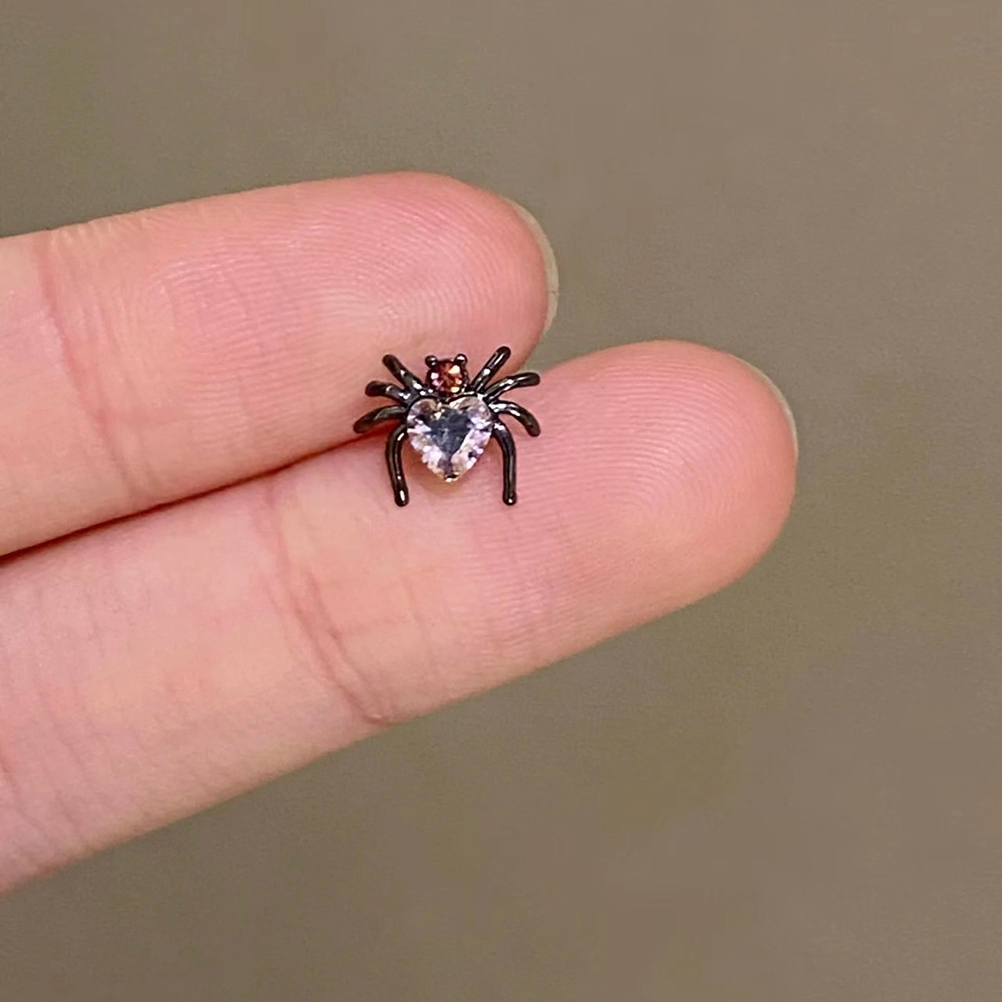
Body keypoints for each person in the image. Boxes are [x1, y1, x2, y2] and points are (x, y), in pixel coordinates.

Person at [0, 172, 797, 892]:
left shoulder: (450, 405)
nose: (447, 382)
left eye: (453, 379)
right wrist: (442, 446)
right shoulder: (446, 405)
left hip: (445, 442)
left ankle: (473, 480)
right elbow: (402, 417)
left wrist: (466, 448)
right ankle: (454, 480)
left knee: (490, 434)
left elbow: (474, 411)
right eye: (442, 379)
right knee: (461, 434)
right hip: (446, 443)